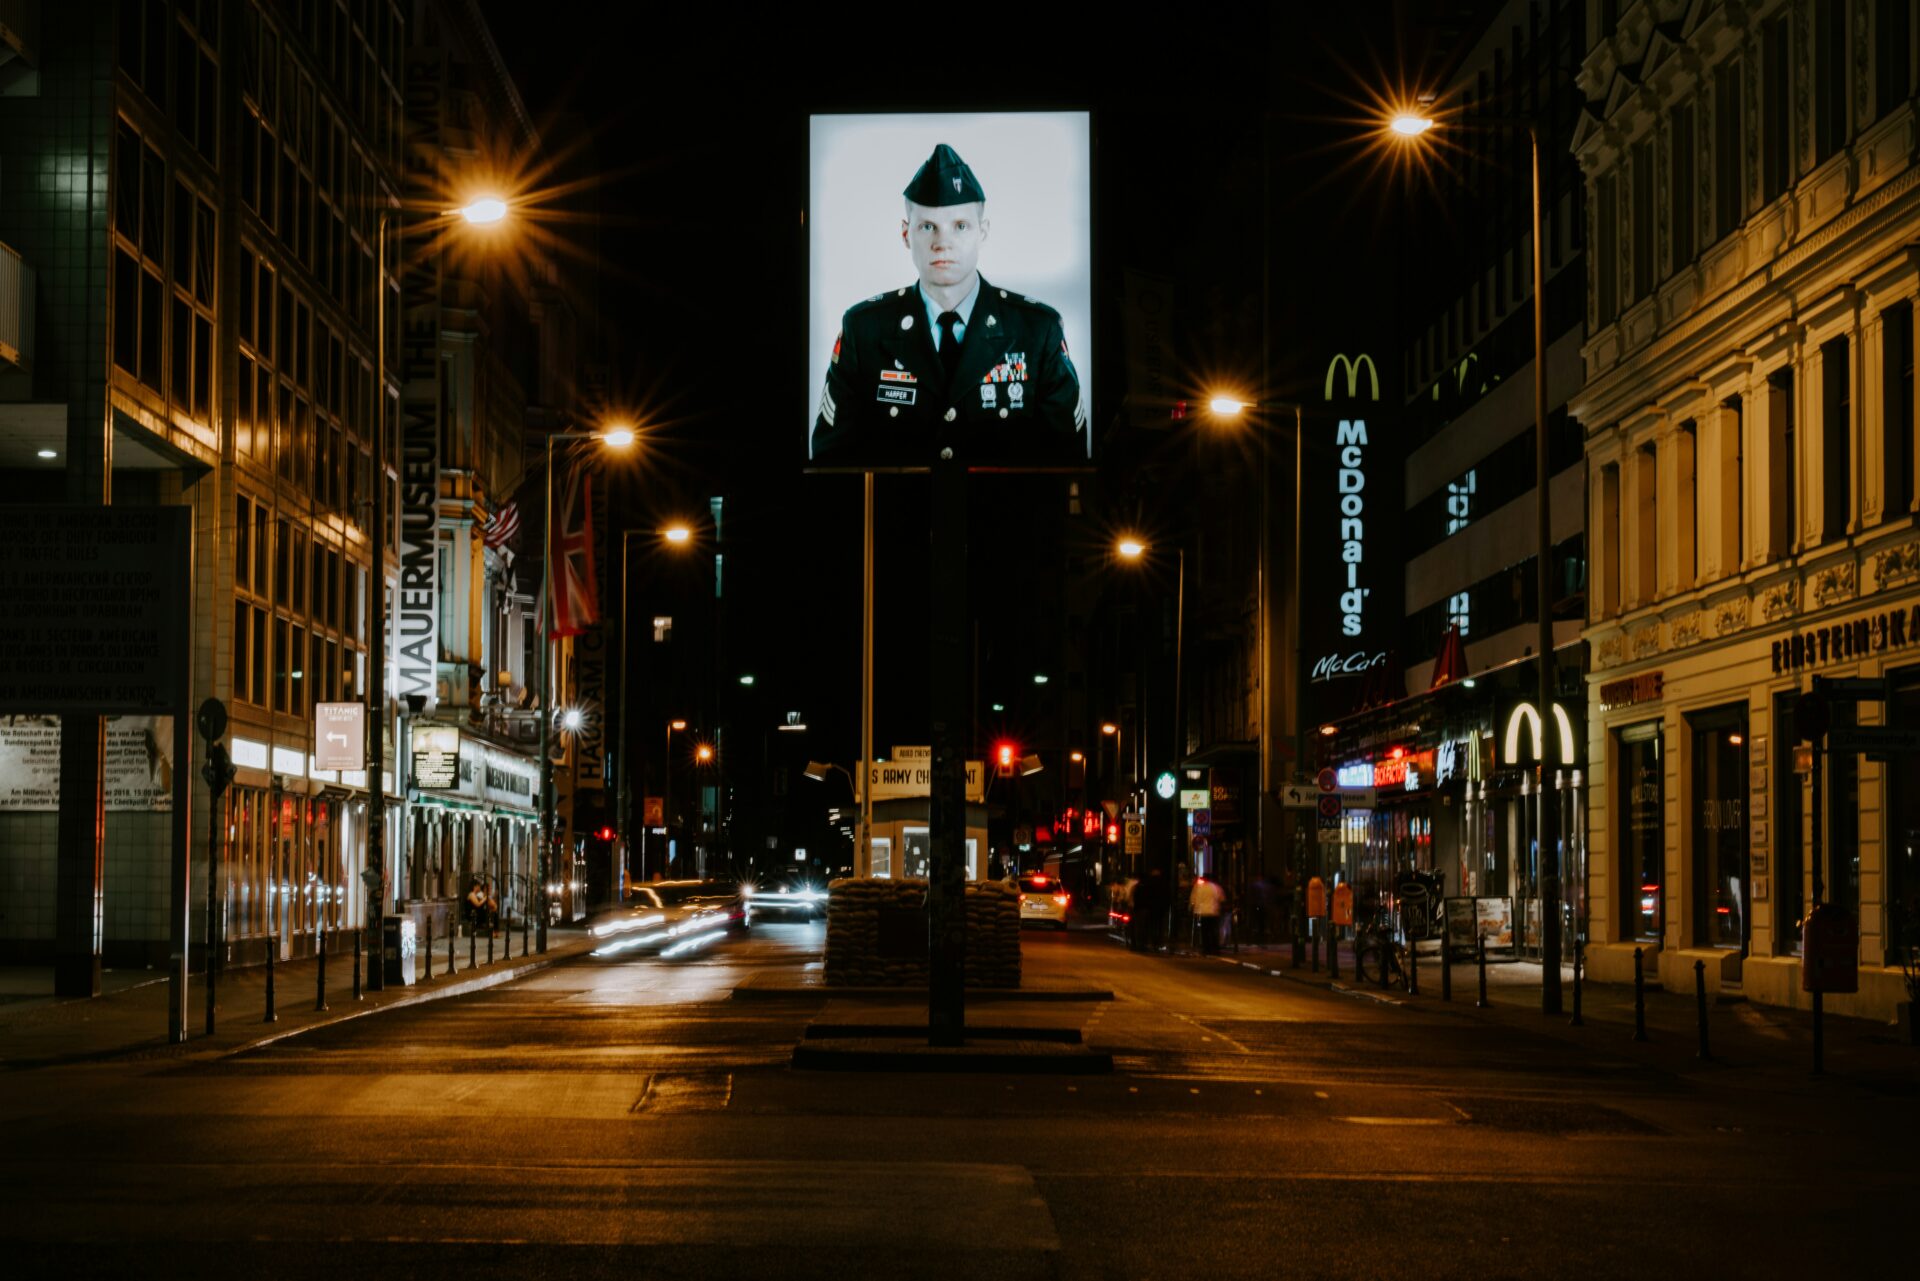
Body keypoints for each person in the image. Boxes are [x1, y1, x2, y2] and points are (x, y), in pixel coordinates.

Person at [811, 143, 1085, 467]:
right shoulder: (864, 330)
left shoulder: (1037, 331)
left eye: (960, 226)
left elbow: (1069, 462)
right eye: (928, 226)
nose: (943, 242)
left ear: (982, 232)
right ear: (905, 234)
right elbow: (831, 462)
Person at [1133, 867, 1168, 952]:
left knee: (1146, 926)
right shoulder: (1163, 883)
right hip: (1158, 908)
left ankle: (1145, 943)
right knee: (1158, 926)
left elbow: (1137, 896)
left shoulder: (1145, 884)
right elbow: (1166, 896)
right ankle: (1156, 943)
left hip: (1148, 907)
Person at [1190, 875, 1227, 954]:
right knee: (1214, 930)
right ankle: (1215, 948)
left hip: (1203, 911)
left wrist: (1193, 907)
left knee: (1205, 931)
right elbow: (1222, 899)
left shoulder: (1198, 887)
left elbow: (1193, 899)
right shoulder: (1216, 887)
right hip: (1214, 911)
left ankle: (1206, 948)